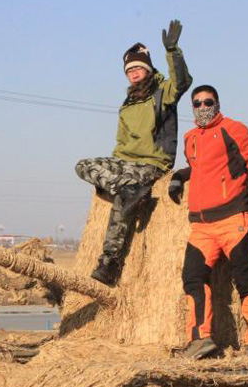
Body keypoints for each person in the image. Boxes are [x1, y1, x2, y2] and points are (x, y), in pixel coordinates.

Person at [75, 19, 192, 285]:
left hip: (152, 164)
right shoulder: (126, 105)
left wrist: (173, 51)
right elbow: (120, 144)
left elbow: (182, 82)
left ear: (148, 69)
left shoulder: (163, 92)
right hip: (126, 164)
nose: (134, 72)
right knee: (83, 166)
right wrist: (113, 175)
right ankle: (128, 190)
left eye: (139, 67)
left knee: (120, 202)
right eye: (130, 69)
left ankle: (109, 263)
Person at [168, 85, 248, 359]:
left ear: (217, 103)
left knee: (246, 279)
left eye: (208, 102)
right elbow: (204, 167)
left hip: (232, 218)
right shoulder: (190, 137)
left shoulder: (234, 128)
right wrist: (180, 176)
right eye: (198, 104)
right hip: (201, 225)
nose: (203, 107)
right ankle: (200, 340)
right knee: (192, 278)